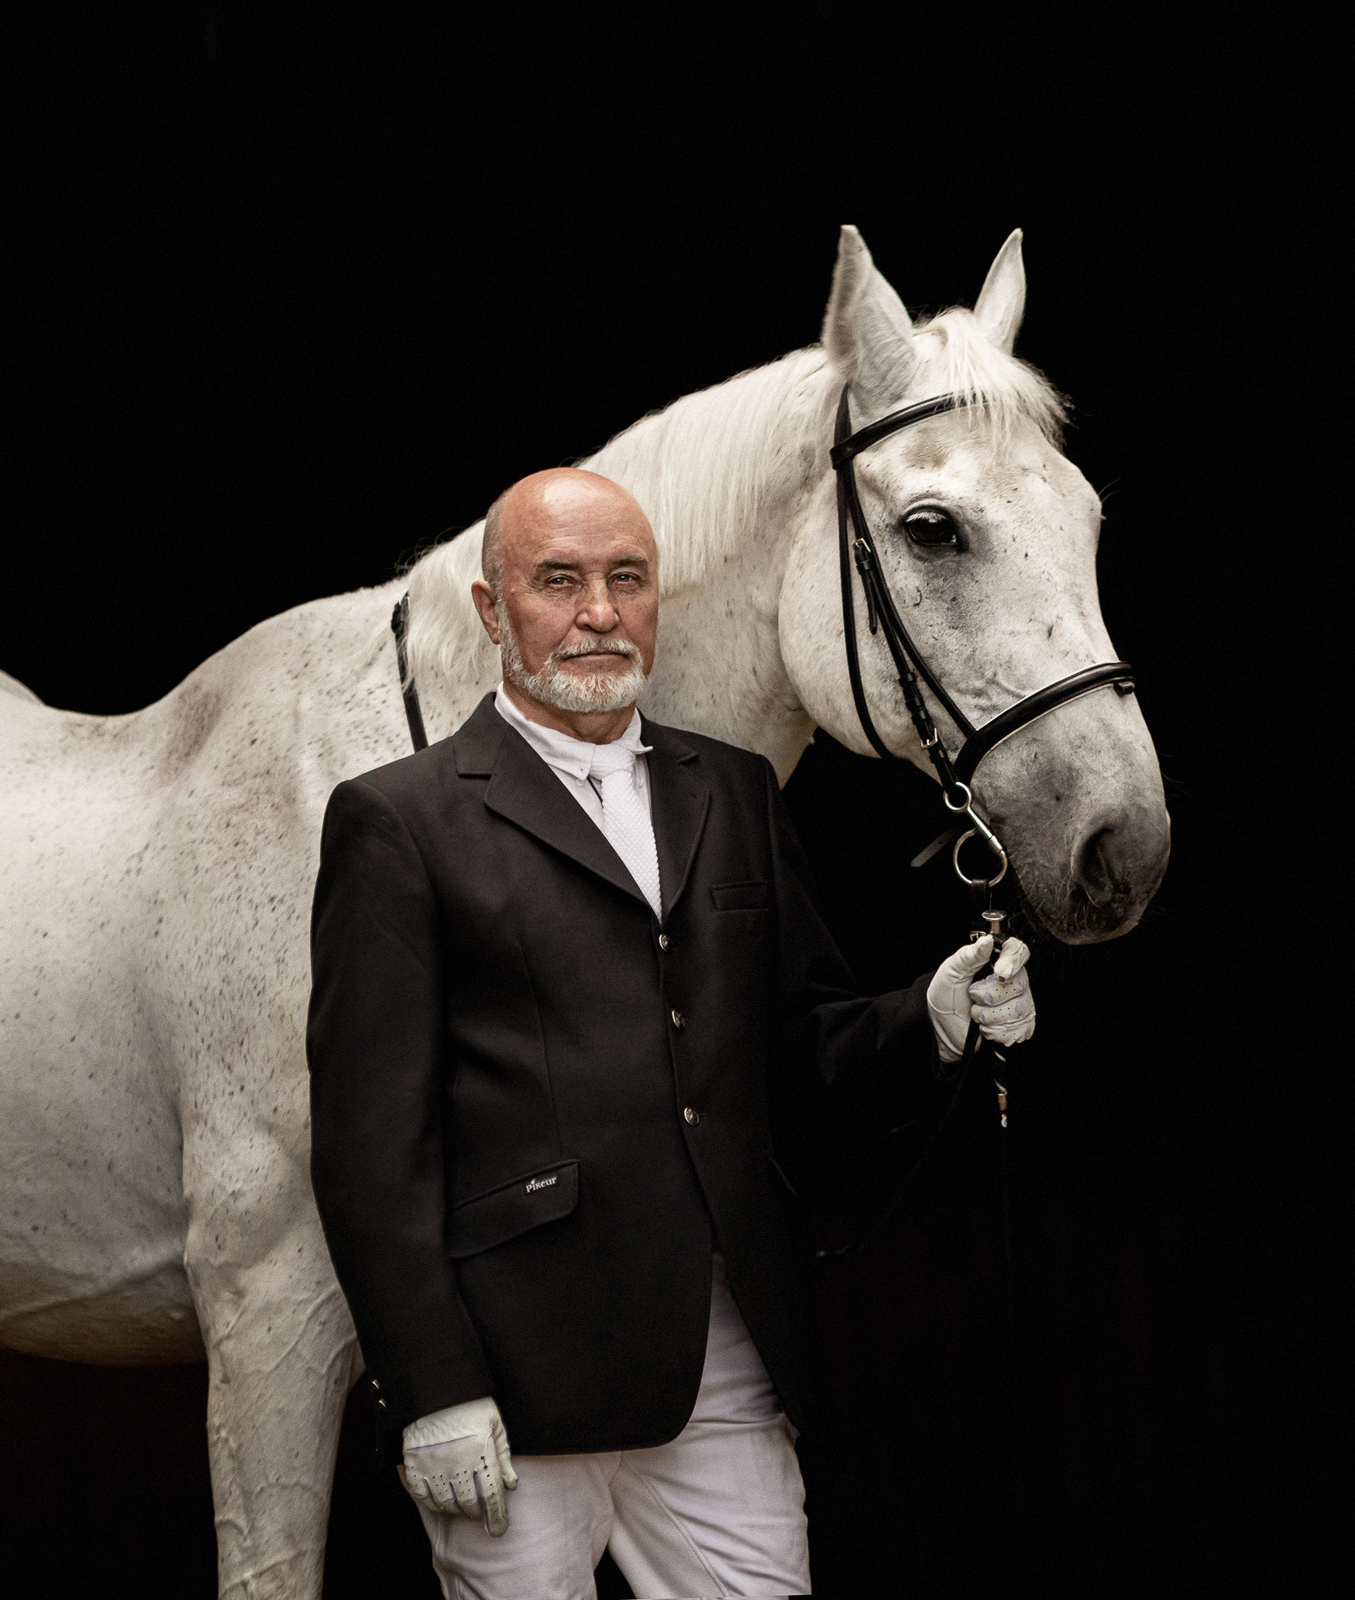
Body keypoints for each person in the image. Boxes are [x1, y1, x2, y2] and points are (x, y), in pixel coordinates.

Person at [307, 467, 1033, 1598]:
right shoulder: (398, 819)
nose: (599, 611)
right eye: (560, 580)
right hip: (514, 1388)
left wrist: (927, 1018)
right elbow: (368, 1147)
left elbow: (798, 1041)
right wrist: (434, 1387)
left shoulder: (735, 791)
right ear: (493, 610)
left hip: (724, 1367)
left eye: (626, 579)